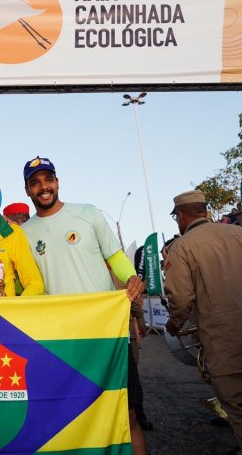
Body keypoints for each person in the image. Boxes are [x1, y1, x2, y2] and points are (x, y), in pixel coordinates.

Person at [20, 156, 147, 455]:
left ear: (57, 182)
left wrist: (131, 277)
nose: (43, 187)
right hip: (60, 340)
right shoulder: (24, 234)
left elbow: (114, 255)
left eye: (48, 179)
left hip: (106, 334)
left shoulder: (87, 214)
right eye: (35, 183)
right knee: (70, 419)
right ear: (27, 190)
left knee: (127, 414)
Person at [165, 189, 242, 454]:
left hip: (223, 340)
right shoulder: (241, 234)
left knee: (239, 407)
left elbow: (180, 297)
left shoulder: (182, 246)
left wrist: (174, 323)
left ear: (182, 216)